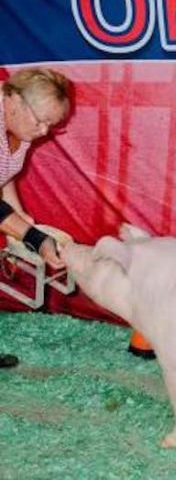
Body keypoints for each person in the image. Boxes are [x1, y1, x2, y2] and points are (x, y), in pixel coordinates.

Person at [0, 67, 71, 369]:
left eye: (50, 125)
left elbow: (4, 173)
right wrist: (34, 237)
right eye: (40, 121)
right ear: (14, 99)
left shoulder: (20, 127)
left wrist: (19, 218)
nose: (43, 131)